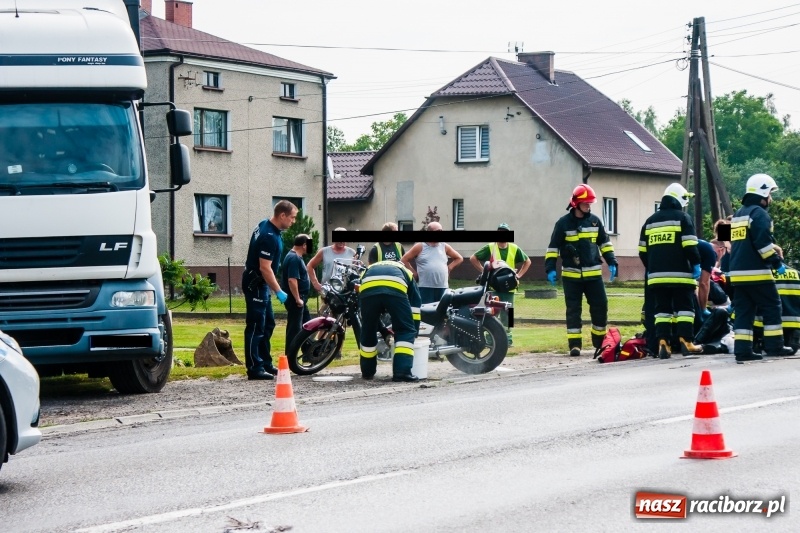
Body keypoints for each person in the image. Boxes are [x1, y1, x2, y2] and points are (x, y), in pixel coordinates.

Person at [545, 184, 617, 357]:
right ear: (576, 203)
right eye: (586, 203)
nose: (589, 206)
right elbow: (553, 248)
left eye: (590, 203)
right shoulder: (562, 224)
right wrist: (550, 268)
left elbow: (605, 244)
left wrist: (612, 261)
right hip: (571, 276)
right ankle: (575, 345)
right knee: (573, 310)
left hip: (593, 276)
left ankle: (599, 342)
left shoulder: (595, 221)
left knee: (601, 306)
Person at [728, 174, 792, 362]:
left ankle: (743, 350)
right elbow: (763, 244)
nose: (771, 199)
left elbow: (736, 243)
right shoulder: (760, 214)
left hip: (737, 274)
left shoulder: (739, 214)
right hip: (757, 273)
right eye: (770, 194)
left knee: (744, 312)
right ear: (763, 193)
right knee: (772, 306)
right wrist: (777, 263)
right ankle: (775, 346)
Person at [639, 183, 703, 359]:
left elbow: (642, 251)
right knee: (685, 309)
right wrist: (696, 263)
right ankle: (686, 341)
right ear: (680, 199)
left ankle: (663, 343)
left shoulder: (650, 221)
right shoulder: (683, 218)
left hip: (656, 277)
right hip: (681, 275)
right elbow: (690, 245)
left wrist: (653, 267)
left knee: (662, 312)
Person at [242, 200, 297, 380]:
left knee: (268, 324)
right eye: (292, 218)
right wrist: (279, 291)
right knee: (256, 326)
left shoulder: (266, 225)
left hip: (260, 283)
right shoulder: (269, 236)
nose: (293, 221)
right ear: (282, 215)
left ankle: (264, 362)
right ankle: (254, 367)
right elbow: (265, 267)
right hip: (256, 283)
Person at [358, 260, 422, 382]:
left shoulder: (369, 268)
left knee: (368, 329)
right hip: (395, 285)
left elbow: (366, 309)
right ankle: (402, 373)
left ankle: (367, 372)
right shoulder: (406, 271)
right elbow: (415, 305)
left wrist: (382, 329)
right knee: (405, 330)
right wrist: (414, 330)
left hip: (367, 286)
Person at [469, 223, 531, 345]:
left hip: (509, 286)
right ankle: (491, 337)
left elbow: (527, 261)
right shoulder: (490, 247)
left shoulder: (514, 248)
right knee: (492, 311)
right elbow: (473, 258)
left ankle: (508, 338)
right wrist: (484, 271)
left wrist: (519, 275)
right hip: (494, 286)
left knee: (509, 312)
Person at [401, 221, 463, 304]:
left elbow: (459, 258)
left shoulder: (444, 246)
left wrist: (449, 268)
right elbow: (404, 259)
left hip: (442, 286)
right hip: (425, 287)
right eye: (438, 231)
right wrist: (414, 273)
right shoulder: (420, 246)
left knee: (442, 312)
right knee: (426, 312)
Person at [281, 233, 312, 351]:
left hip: (301, 299)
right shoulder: (294, 258)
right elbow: (292, 280)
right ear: (304, 245)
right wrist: (298, 299)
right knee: (295, 329)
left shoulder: (295, 257)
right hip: (296, 300)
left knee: (308, 325)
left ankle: (308, 352)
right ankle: (289, 358)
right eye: (309, 244)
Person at [307, 227, 357, 293]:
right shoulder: (324, 251)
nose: (341, 241)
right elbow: (310, 266)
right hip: (327, 292)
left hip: (346, 292)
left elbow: (356, 271)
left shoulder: (352, 253)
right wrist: (315, 283)